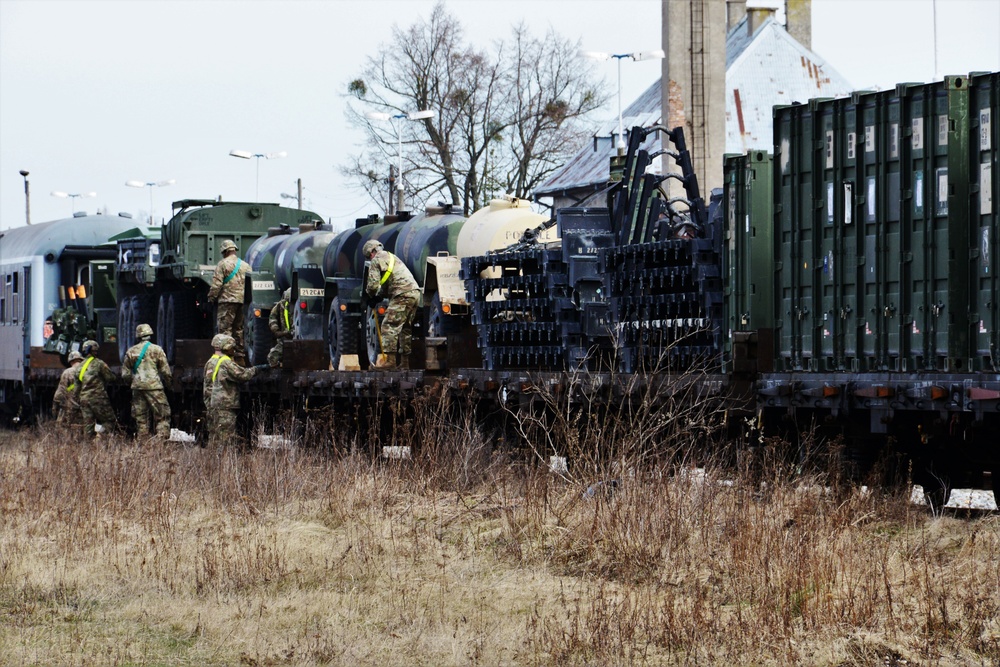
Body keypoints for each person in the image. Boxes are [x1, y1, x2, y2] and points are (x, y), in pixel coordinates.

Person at [362, 239, 419, 370]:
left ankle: (390, 362)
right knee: (405, 328)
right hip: (414, 293)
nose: (370, 259)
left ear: (371, 252)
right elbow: (387, 281)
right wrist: (378, 297)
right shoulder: (392, 257)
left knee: (389, 325)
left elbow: (372, 285)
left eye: (368, 256)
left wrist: (370, 296)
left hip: (401, 294)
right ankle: (405, 363)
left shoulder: (376, 260)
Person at [203, 334, 266, 447]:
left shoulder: (210, 362)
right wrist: (258, 369)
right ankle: (223, 462)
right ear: (227, 348)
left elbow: (206, 386)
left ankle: (213, 462)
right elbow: (243, 375)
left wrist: (208, 404)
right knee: (226, 440)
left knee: (214, 438)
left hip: (213, 405)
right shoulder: (226, 363)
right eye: (232, 347)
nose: (234, 349)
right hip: (225, 407)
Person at [121, 323, 173, 439]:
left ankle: (143, 445)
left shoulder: (131, 351)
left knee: (141, 419)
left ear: (137, 336)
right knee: (162, 416)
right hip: (154, 388)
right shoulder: (157, 350)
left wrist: (133, 382)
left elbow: (125, 374)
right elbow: (166, 372)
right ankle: (160, 444)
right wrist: (169, 385)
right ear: (150, 334)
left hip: (137, 389)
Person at [206, 239, 250, 363]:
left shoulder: (223, 264)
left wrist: (211, 297)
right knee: (239, 329)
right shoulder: (246, 265)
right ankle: (240, 358)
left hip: (226, 301)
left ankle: (227, 358)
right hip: (241, 302)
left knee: (225, 330)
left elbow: (216, 285)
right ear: (234, 250)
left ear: (224, 251)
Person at [77, 339, 117, 438]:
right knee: (110, 421)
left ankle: (88, 447)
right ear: (95, 350)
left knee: (88, 425)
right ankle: (100, 437)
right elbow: (110, 377)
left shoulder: (79, 367)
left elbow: (76, 387)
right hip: (98, 398)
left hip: (84, 399)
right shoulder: (99, 363)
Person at [53, 350, 84, 426]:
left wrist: (55, 407)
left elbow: (61, 391)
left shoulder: (67, 372)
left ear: (70, 361)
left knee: (63, 427)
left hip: (70, 407)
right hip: (85, 408)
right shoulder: (88, 371)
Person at [267, 288, 294, 368]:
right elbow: (272, 317)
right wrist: (276, 329)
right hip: (284, 339)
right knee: (272, 357)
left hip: (299, 339)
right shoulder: (281, 304)